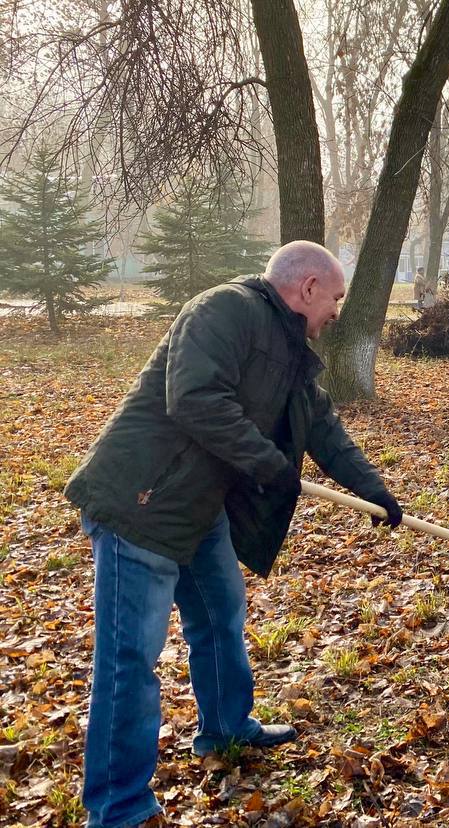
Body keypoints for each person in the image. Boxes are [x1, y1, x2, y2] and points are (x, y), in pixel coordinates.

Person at [64, 241, 405, 828]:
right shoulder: (223, 310)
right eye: (336, 298)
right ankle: (118, 808)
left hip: (200, 510)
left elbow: (322, 428)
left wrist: (371, 490)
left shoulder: (292, 350)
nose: (336, 312)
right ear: (307, 288)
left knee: (221, 616)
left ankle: (225, 727)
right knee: (129, 662)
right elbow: (194, 398)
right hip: (142, 501)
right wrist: (270, 463)